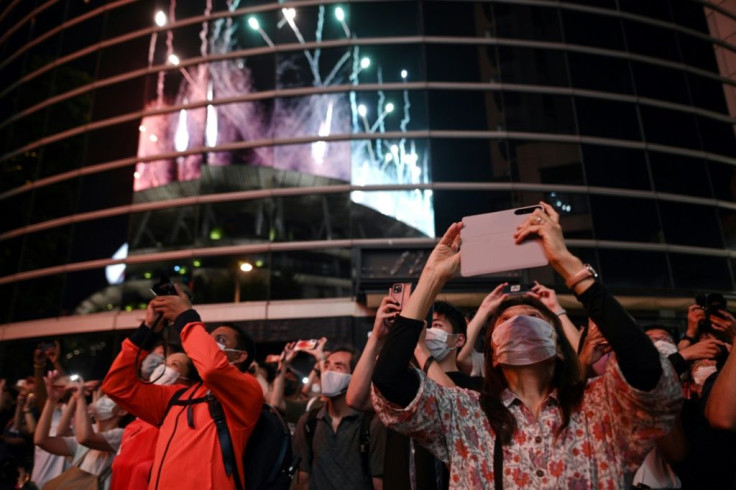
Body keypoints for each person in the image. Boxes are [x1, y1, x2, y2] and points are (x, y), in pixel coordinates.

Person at [371, 202, 683, 488]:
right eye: (506, 321)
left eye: (533, 316)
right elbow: (388, 379)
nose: (518, 323)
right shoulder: (466, 414)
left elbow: (649, 372)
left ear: (559, 346)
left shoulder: (601, 408)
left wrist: (567, 263)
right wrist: (431, 276)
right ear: (493, 355)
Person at [101, 288, 263, 489]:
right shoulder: (177, 396)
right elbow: (117, 386)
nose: (209, 343)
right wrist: (148, 330)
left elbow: (212, 368)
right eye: (207, 338)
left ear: (240, 356)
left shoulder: (247, 389)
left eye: (219, 340)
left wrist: (185, 316)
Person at [294, 347, 386, 490]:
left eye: (338, 367)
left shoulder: (371, 423)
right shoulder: (309, 421)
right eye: (326, 366)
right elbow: (303, 477)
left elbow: (379, 481)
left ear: (355, 375)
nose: (329, 371)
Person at [110, 352, 196, 490]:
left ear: (190, 382)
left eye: (174, 365)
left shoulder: (177, 424)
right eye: (164, 363)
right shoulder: (134, 425)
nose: (163, 368)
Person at [34, 372, 125, 490]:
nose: (100, 400)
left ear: (122, 411)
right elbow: (41, 441)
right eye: (101, 395)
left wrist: (80, 398)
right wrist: (51, 400)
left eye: (108, 397)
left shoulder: (122, 435)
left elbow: (85, 438)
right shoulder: (89, 435)